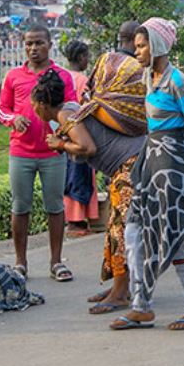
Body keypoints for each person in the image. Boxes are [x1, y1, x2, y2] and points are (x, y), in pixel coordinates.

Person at [110, 18, 184, 331]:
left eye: (142, 45)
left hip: (173, 168)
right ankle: (141, 307)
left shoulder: (176, 81)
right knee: (134, 232)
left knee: (179, 237)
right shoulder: (148, 77)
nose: (136, 51)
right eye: (136, 46)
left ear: (157, 45)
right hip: (150, 164)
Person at [28, 70, 145, 315]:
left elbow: (87, 147)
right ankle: (119, 286)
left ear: (41, 104)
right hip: (128, 165)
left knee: (119, 231)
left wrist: (60, 144)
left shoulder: (65, 114)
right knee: (117, 228)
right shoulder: (70, 108)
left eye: (33, 105)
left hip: (129, 166)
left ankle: (121, 293)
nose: (33, 111)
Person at [0, 24, 77, 282]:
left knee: (55, 206)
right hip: (21, 152)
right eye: (29, 43)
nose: (33, 48)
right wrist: (14, 119)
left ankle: (56, 262)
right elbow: (1, 110)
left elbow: (74, 109)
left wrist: (62, 136)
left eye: (39, 43)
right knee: (20, 207)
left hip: (53, 153)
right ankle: (20, 262)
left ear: (49, 45)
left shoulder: (62, 76)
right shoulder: (13, 77)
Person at [61, 39, 99, 236]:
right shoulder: (84, 81)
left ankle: (73, 220)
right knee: (81, 176)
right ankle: (78, 221)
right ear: (82, 57)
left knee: (70, 178)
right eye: (87, 56)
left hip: (65, 133)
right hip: (81, 134)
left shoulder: (64, 77)